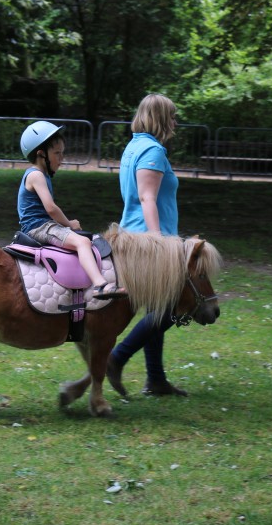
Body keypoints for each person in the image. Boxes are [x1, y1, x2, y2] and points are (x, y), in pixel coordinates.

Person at [105, 93, 188, 397]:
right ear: (161, 118)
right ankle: (116, 358)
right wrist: (158, 241)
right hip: (147, 240)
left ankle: (155, 379)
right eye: (172, 115)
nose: (176, 121)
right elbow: (146, 197)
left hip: (133, 235)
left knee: (158, 306)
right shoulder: (153, 150)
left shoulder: (133, 147)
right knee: (170, 307)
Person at [17, 121, 126, 300]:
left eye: (63, 153)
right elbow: (51, 208)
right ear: (41, 154)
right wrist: (69, 224)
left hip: (42, 225)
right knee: (82, 242)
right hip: (39, 227)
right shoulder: (36, 175)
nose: (62, 158)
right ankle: (100, 285)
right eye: (57, 153)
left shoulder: (39, 174)